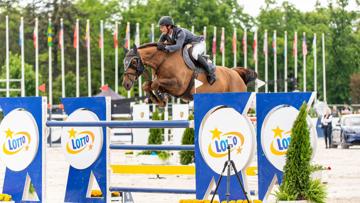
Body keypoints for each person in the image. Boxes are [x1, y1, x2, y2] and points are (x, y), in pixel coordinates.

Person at [156, 16, 216, 85]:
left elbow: (178, 46)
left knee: (194, 54)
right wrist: (159, 46)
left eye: (162, 27)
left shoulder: (180, 32)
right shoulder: (164, 34)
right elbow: (159, 45)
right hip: (188, 46)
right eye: (160, 27)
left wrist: (165, 47)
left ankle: (210, 73)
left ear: (169, 26)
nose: (161, 29)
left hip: (199, 43)